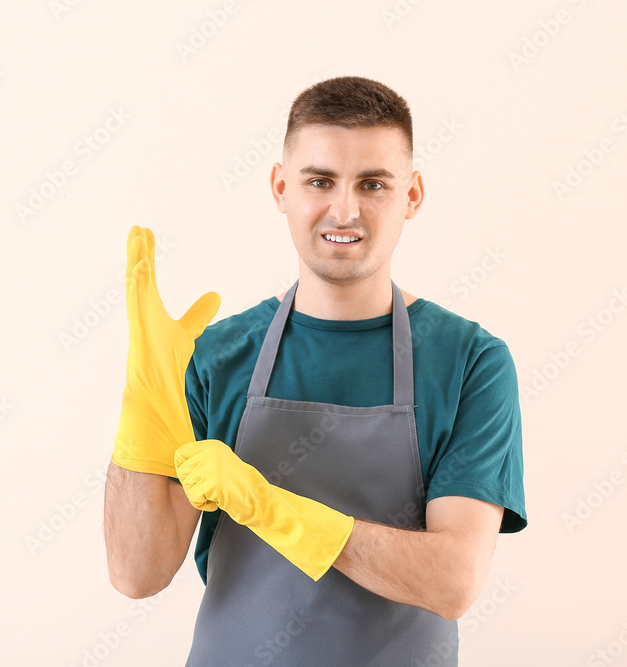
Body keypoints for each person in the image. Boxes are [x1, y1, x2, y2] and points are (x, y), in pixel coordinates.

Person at [103, 75, 526, 666]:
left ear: (412, 195)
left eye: (373, 183)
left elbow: (451, 581)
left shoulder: (468, 362)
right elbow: (136, 572)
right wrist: (143, 403)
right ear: (281, 187)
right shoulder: (217, 356)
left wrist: (268, 505)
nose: (345, 209)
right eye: (320, 180)